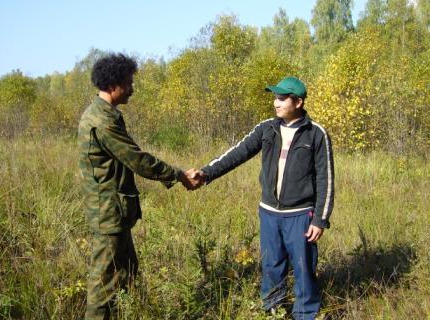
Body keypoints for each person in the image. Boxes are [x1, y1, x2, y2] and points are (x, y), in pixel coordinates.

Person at [190, 77, 334, 320]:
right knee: (271, 267)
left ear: (298, 101)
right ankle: (272, 312)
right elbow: (237, 152)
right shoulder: (266, 128)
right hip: (269, 213)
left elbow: (326, 180)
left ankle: (306, 314)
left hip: (300, 215)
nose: (276, 102)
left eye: (282, 98)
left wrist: (319, 220)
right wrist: (206, 174)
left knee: (303, 270)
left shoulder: (316, 134)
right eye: (275, 97)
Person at [77, 53, 200, 320]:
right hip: (108, 215)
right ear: (113, 85)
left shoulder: (106, 114)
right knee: (103, 287)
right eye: (128, 83)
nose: (132, 89)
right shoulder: (102, 121)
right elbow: (137, 159)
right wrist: (178, 175)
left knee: (129, 273)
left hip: (116, 213)